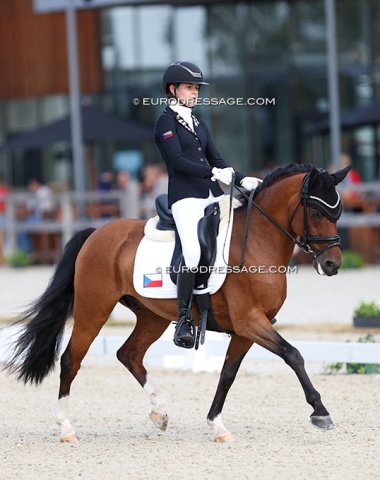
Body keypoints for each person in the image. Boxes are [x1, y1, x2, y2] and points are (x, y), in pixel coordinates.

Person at [154, 61, 262, 348]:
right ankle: (183, 320)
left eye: (196, 88)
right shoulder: (165, 122)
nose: (194, 92)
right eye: (189, 87)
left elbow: (217, 159)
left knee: (237, 236)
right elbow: (177, 161)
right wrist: (212, 173)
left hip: (211, 194)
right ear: (173, 89)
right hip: (185, 198)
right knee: (192, 253)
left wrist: (241, 179)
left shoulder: (199, 123)